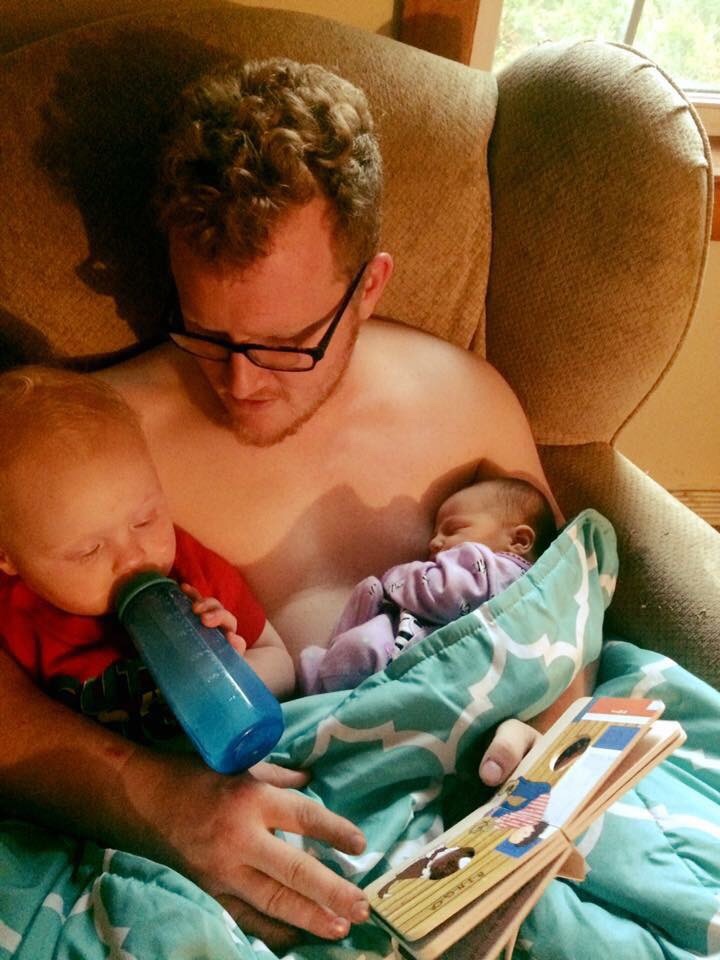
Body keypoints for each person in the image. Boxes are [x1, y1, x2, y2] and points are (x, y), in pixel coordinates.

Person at [0, 58, 590, 947]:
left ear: (370, 286)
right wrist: (159, 803)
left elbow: (556, 618)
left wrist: (547, 767)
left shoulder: (466, 404)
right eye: (207, 333)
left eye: (286, 344)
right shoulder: (84, 448)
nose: (241, 383)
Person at [0, 366, 295, 742]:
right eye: (89, 551)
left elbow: (283, 666)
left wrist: (235, 666)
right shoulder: (14, 614)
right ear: (8, 559)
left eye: (144, 520)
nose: (133, 556)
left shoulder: (191, 576)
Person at [300, 476, 556, 693]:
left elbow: (442, 592)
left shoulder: (493, 567)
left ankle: (321, 678)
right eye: (435, 533)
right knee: (375, 632)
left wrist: (398, 576)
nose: (433, 542)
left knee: (364, 644)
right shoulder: (534, 585)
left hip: (415, 660)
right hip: (442, 659)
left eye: (452, 529)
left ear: (519, 540)